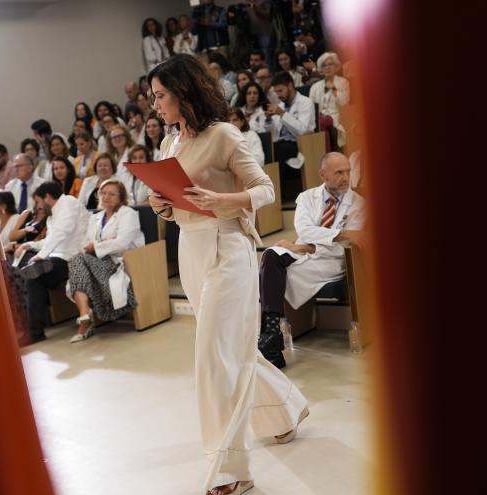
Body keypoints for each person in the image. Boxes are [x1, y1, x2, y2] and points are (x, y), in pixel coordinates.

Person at [147, 54, 308, 495]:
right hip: (191, 249)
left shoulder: (224, 135)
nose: (156, 104)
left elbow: (265, 189)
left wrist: (226, 200)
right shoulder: (168, 145)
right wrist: (161, 204)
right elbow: (172, 197)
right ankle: (287, 409)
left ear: (183, 92)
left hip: (228, 247)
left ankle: (230, 468)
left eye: (161, 96)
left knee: (213, 357)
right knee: (231, 348)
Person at [257, 152, 366, 366]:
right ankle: (272, 334)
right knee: (270, 254)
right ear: (323, 174)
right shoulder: (307, 197)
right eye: (339, 173)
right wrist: (340, 234)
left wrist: (305, 245)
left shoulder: (360, 205)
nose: (346, 177)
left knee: (269, 277)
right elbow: (304, 230)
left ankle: (270, 343)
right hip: (303, 251)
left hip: (332, 262)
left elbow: (346, 247)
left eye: (348, 171)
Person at [66, 179, 146, 342]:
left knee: (76, 261)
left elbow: (122, 243)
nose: (106, 197)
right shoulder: (95, 217)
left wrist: (96, 246)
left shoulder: (127, 214)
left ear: (121, 197)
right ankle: (84, 314)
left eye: (112, 194)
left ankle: (85, 318)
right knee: (77, 260)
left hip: (118, 264)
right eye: (103, 193)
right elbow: (84, 243)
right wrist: (106, 242)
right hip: (93, 262)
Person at [14, 182, 90, 342]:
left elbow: (62, 233)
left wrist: (41, 255)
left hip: (75, 258)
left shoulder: (69, 203)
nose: (38, 207)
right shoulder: (53, 215)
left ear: (47, 197)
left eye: (38, 202)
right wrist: (31, 245)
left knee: (36, 270)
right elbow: (50, 240)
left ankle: (34, 332)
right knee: (33, 277)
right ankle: (35, 331)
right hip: (57, 257)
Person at [266, 71, 315, 201]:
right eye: (276, 92)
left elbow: (302, 131)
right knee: (268, 151)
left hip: (301, 144)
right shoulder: (281, 106)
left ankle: (277, 197)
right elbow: (276, 134)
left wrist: (283, 114)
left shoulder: (306, 102)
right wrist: (268, 121)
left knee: (277, 151)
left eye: (281, 91)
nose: (279, 95)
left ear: (291, 86)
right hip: (282, 144)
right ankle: (273, 200)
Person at [309, 52, 351, 148]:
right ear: (321, 69)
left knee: (322, 123)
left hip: (338, 117)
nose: (327, 68)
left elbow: (344, 103)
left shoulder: (343, 82)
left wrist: (334, 89)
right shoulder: (315, 87)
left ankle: (326, 153)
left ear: (336, 66)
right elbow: (311, 108)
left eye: (330, 64)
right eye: (324, 65)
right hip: (319, 118)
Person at [248, 0, 276, 71]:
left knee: (266, 55)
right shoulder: (249, 3)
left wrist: (255, 9)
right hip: (253, 34)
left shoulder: (265, 2)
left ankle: (268, 72)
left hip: (264, 32)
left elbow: (267, 14)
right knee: (256, 56)